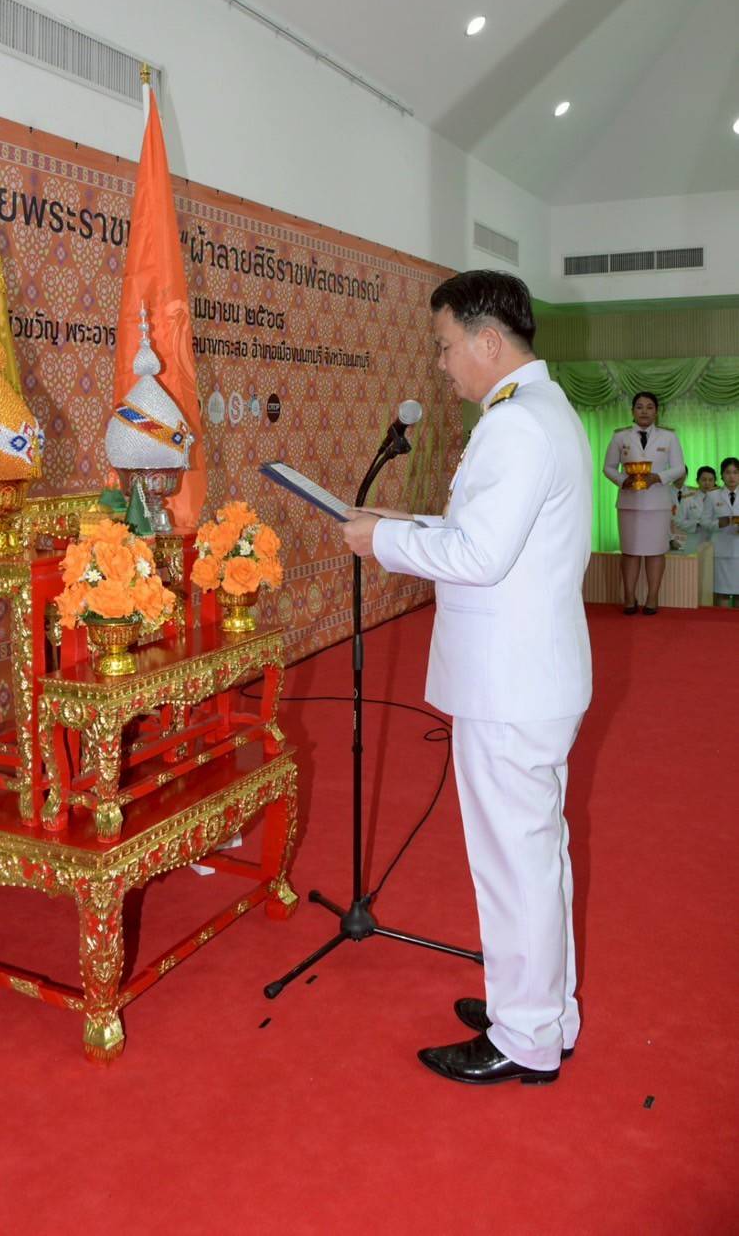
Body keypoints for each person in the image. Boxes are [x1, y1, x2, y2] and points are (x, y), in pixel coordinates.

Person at [342, 270, 591, 1086]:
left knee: (515, 864)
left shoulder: (515, 425)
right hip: (531, 675)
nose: (443, 365)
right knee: (537, 857)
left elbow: (479, 555)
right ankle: (544, 1012)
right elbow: (486, 534)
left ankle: (524, 1038)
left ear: (489, 341)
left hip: (510, 685)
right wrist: (402, 524)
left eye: (447, 346)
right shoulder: (540, 410)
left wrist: (380, 543)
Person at [602, 394, 684, 614]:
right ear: (632, 411)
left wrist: (657, 477)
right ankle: (629, 597)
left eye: (649, 407)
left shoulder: (669, 437)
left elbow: (679, 468)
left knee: (656, 552)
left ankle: (652, 597)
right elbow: (608, 467)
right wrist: (623, 480)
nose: (644, 411)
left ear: (656, 411)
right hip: (630, 503)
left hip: (658, 504)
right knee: (630, 552)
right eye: (639, 407)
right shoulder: (620, 437)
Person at [704, 457, 739, 606]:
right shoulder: (712, 495)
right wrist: (719, 523)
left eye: (736, 472)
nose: (732, 476)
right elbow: (704, 522)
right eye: (728, 472)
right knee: (722, 594)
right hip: (721, 552)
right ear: (722, 475)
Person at [671, 466, 715, 555]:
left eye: (710, 480)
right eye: (704, 480)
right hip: (695, 542)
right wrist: (697, 523)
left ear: (714, 482)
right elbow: (678, 521)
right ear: (697, 481)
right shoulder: (688, 499)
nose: (707, 483)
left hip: (715, 542)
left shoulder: (721, 500)